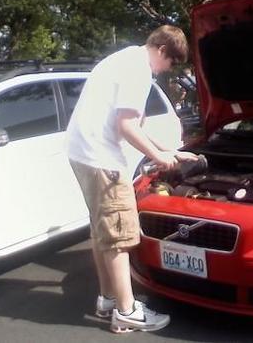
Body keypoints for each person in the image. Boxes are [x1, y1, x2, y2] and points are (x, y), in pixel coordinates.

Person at [66, 25, 198, 334]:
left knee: (103, 231)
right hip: (101, 158)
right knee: (119, 235)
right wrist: (159, 157)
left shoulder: (123, 59)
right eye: (171, 64)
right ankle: (127, 312)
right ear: (163, 51)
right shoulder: (139, 71)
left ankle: (109, 300)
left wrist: (170, 151)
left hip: (82, 153)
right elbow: (126, 126)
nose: (167, 71)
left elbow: (135, 124)